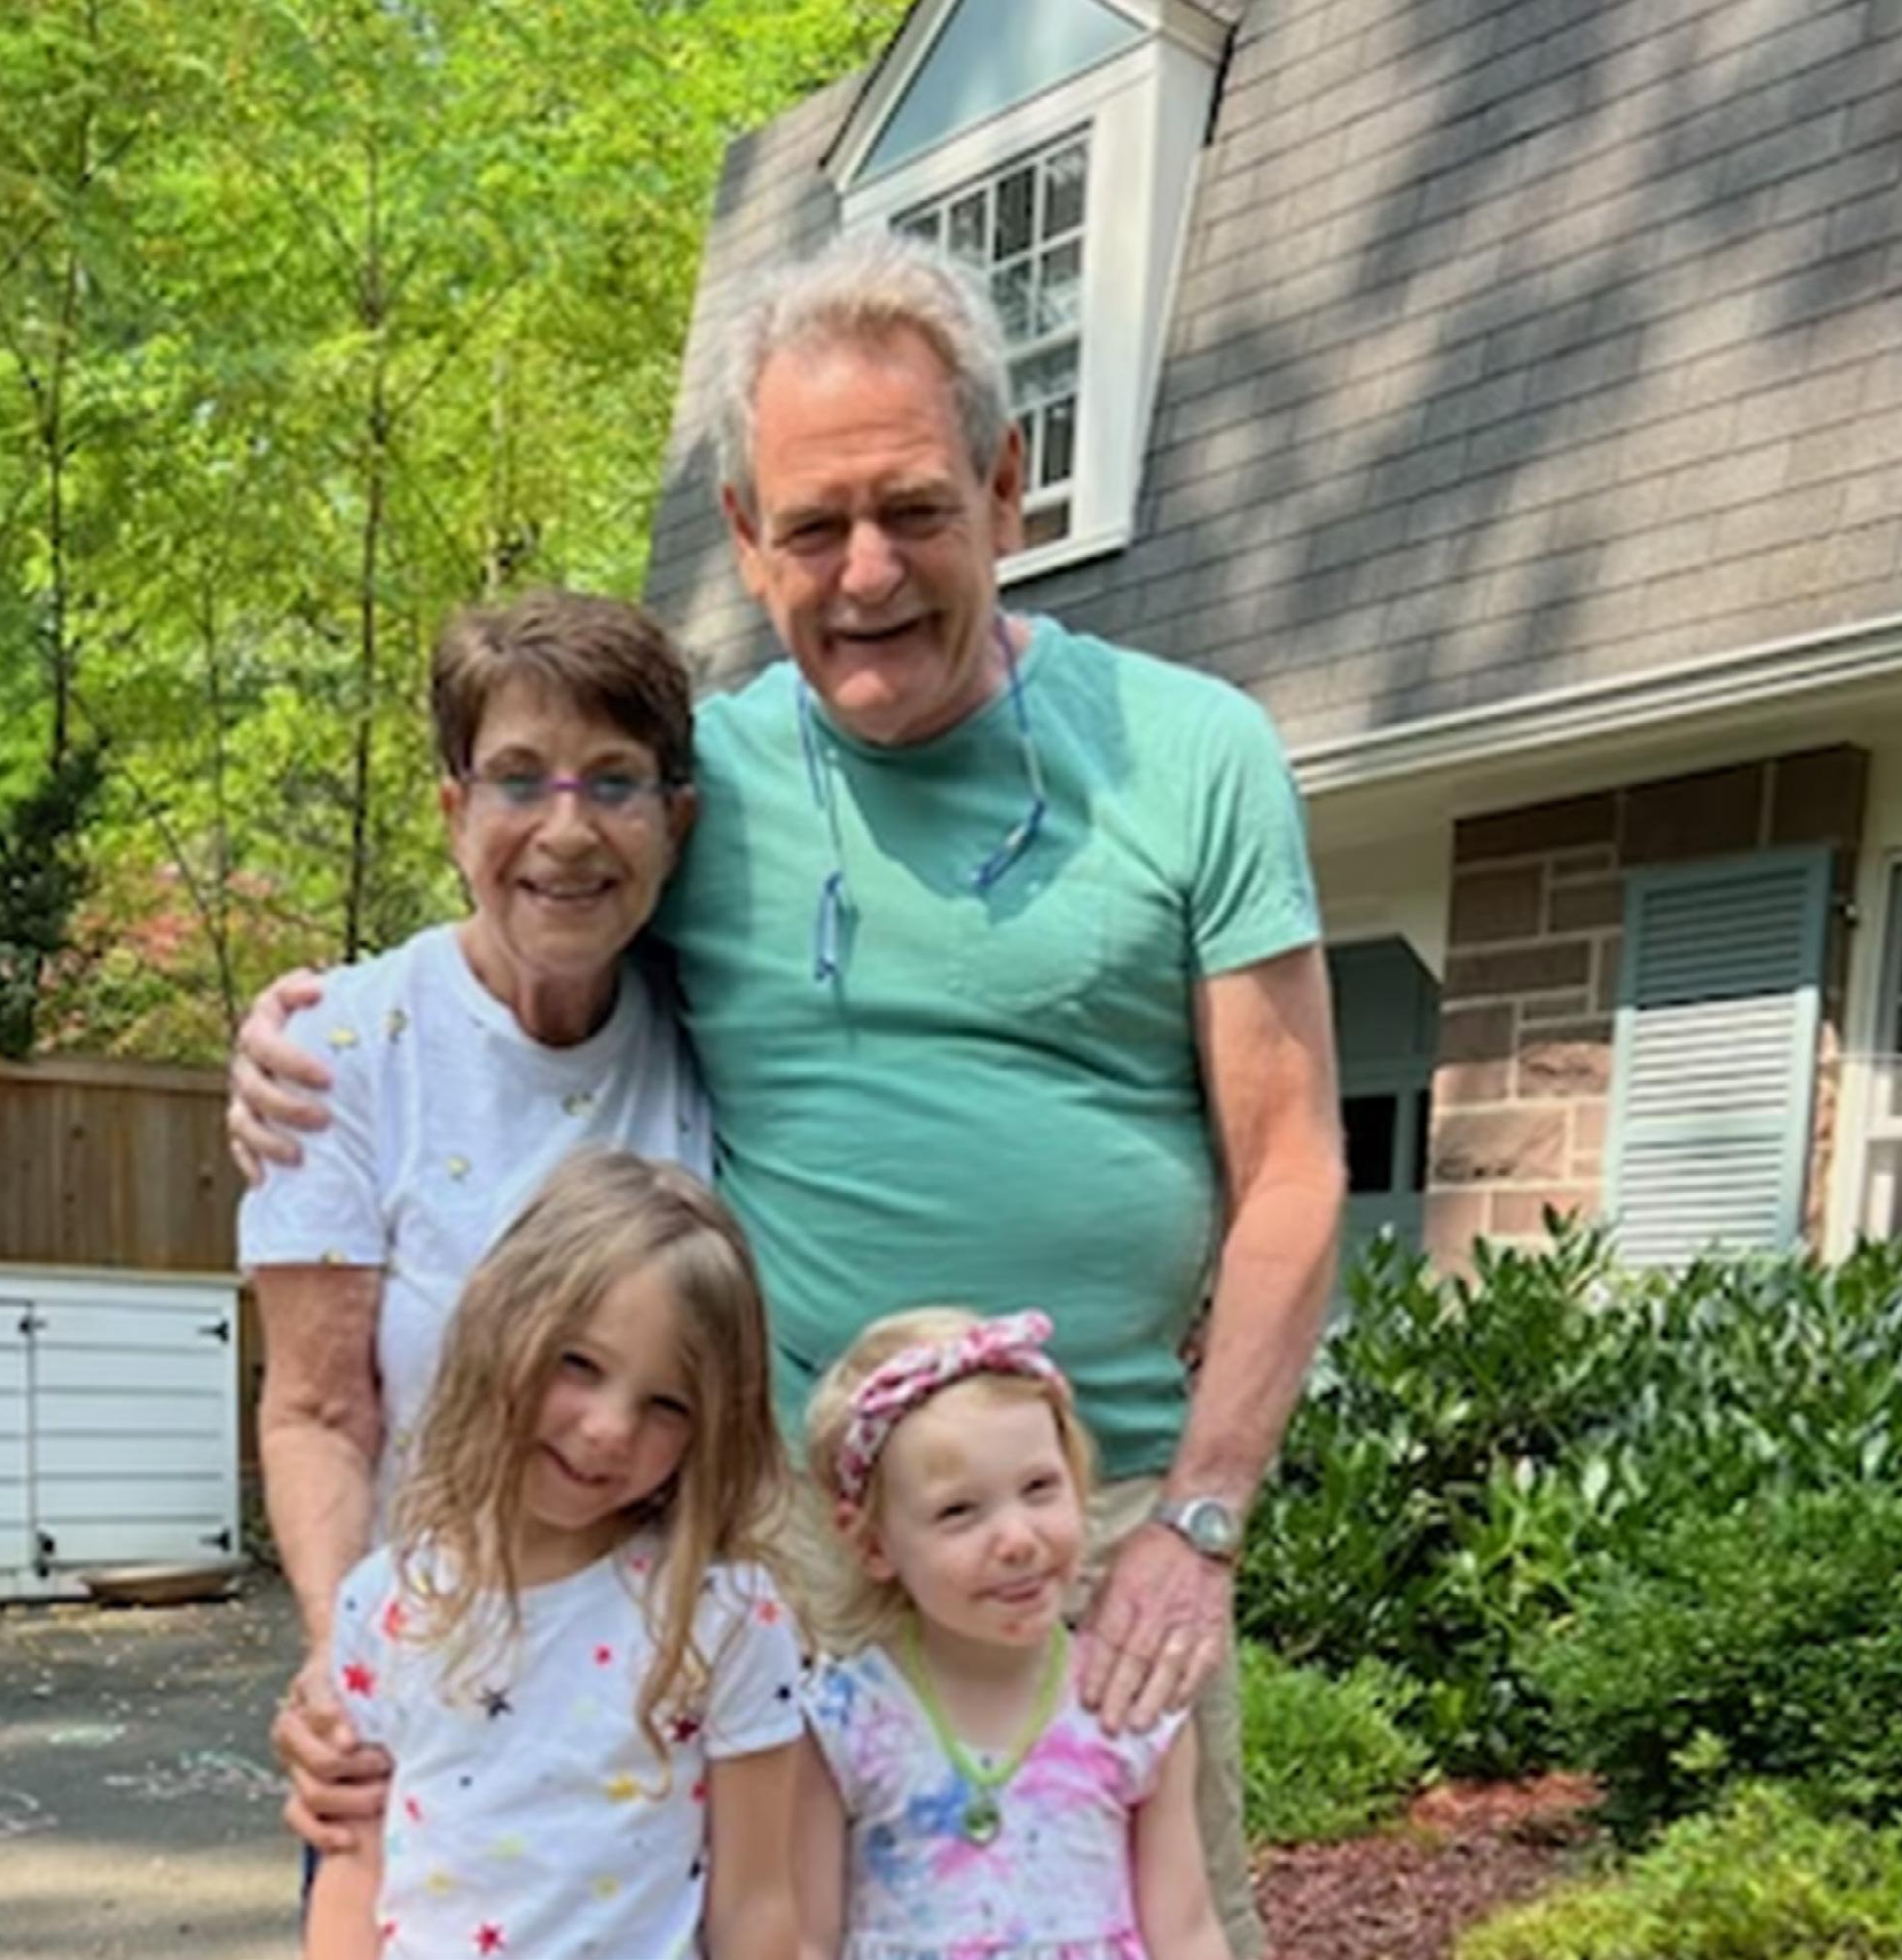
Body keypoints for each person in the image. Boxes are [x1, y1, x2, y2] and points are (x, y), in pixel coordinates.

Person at [232, 232, 1346, 1957]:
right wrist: (314, 1028)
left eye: (914, 509)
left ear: (1006, 485)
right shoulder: (708, 783)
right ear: (745, 538)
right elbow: (532, 888)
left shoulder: (1193, 752)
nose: (866, 571)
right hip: (774, 1542)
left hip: (1087, 1516)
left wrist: (1199, 1521)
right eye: (814, 526)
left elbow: (1292, 1165)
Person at [239, 590, 708, 1853]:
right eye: (517, 779)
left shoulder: (717, 1025)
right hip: (433, 1706)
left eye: (613, 781)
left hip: (655, 1723)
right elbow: (318, 1410)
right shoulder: (341, 1049)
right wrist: (344, 1661)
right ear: (454, 812)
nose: (566, 829)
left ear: (674, 820)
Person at [301, 1149, 801, 1960]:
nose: (609, 1428)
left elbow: (757, 1902)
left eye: (667, 1404)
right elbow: (353, 1872)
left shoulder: (726, 1618)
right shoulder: (384, 1601)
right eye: (579, 1364)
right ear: (499, 1325)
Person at [794, 1308, 1230, 1960]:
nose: (1017, 1540)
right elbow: (806, 1938)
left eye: (1038, 1488)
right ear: (873, 1543)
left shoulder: (1131, 1708)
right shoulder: (841, 1719)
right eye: (959, 1511)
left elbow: (1186, 1931)